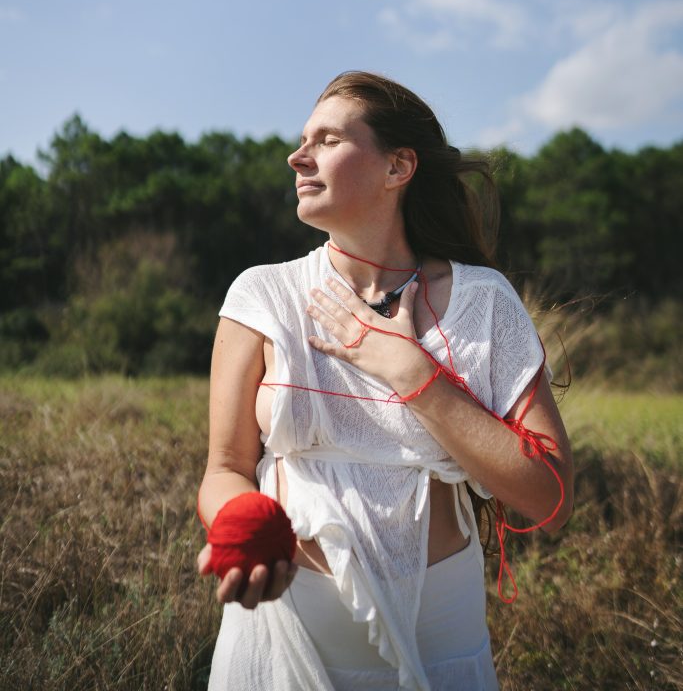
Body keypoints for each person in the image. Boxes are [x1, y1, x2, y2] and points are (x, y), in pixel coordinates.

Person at [197, 71, 574, 691]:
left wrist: (414, 374)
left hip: (440, 649)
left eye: (328, 139)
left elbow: (551, 500)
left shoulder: (483, 302)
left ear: (399, 166)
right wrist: (244, 521)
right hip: (280, 639)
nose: (298, 155)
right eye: (301, 140)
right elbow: (224, 468)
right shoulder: (262, 295)